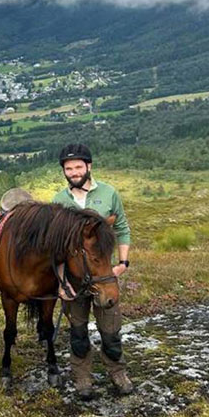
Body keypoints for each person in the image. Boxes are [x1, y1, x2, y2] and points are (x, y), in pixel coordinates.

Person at [51, 143, 133, 398]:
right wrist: (62, 283)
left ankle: (117, 372)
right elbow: (55, 248)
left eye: (78, 166)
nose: (74, 172)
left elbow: (122, 228)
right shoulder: (59, 201)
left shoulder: (109, 194)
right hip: (75, 281)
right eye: (68, 168)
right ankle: (82, 377)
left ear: (89, 166)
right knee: (78, 332)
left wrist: (122, 263)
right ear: (64, 171)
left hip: (103, 275)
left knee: (110, 329)